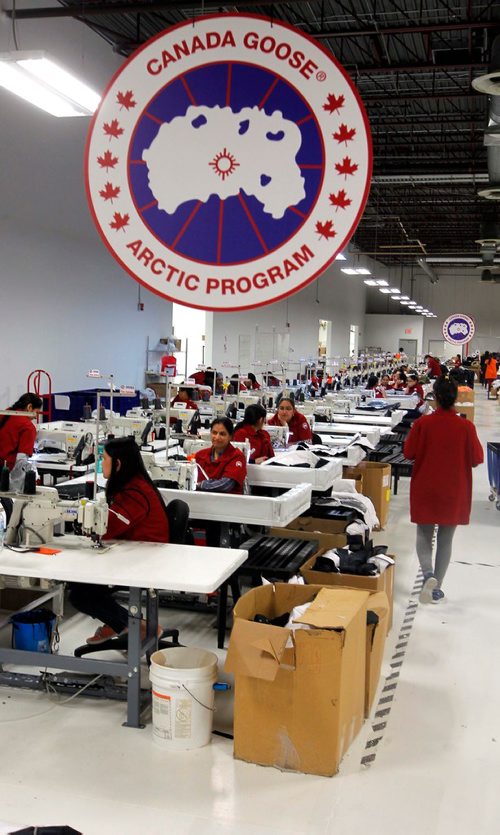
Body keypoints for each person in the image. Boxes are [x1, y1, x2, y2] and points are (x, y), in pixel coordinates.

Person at [69, 436, 170, 645]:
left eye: (103, 458)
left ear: (118, 464)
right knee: (83, 583)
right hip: (139, 551)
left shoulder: (134, 494)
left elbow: (106, 528)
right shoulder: (133, 485)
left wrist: (76, 518)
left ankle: (133, 627)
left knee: (80, 592)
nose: (100, 463)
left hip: (148, 559)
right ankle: (119, 623)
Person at [403, 377, 483, 604]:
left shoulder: (422, 424)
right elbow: (477, 458)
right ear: (455, 399)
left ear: (435, 397)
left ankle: (427, 574)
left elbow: (408, 453)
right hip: (454, 488)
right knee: (446, 539)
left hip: (426, 486)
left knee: (424, 533)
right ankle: (437, 587)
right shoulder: (466, 426)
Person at [195, 417, 247, 494]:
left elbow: (225, 485)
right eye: (214, 433)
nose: (217, 437)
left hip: (228, 503)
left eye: (222, 434)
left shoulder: (237, 457)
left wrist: (200, 485)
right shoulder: (200, 455)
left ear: (231, 437)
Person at [0, 392, 42, 471]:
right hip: (4, 471)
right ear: (29, 407)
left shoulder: (5, 413)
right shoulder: (28, 427)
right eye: (36, 412)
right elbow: (21, 462)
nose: (36, 417)